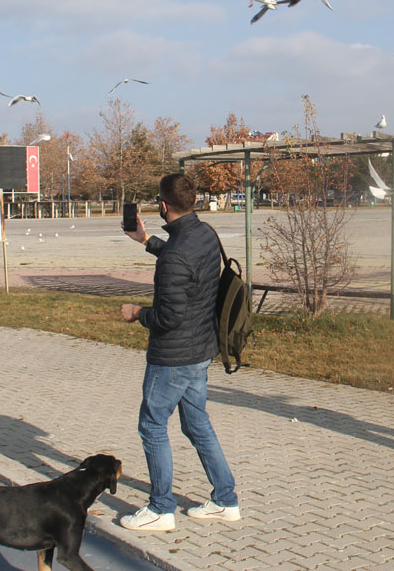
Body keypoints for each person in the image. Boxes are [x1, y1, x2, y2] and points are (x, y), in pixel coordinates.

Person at [117, 173, 239, 531]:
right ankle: (226, 500)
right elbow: (182, 261)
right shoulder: (204, 234)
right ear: (194, 203)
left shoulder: (176, 254)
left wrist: (138, 313)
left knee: (152, 426)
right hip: (202, 349)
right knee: (197, 424)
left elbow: (169, 316)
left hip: (173, 357)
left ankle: (160, 509)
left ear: (163, 205)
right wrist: (145, 240)